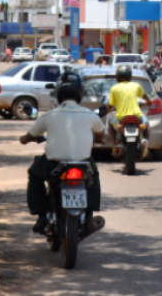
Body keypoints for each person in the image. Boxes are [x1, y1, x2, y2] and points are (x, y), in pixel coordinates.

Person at [20, 71, 105, 234]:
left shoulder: (50, 115)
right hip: (83, 162)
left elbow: (30, 136)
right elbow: (100, 134)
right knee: (93, 176)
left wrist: (23, 139)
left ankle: (41, 215)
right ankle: (89, 214)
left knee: (34, 173)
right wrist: (95, 140)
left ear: (59, 93)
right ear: (80, 93)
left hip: (53, 164)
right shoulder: (90, 115)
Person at [108, 65, 151, 158]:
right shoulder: (136, 85)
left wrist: (111, 109)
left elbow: (110, 106)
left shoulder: (114, 88)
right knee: (146, 124)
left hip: (120, 117)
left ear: (118, 76)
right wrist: (148, 102)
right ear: (129, 76)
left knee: (110, 122)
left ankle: (115, 144)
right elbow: (146, 98)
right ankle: (145, 141)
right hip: (137, 116)